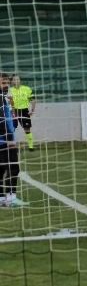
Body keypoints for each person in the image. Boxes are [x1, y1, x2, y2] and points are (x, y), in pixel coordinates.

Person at [0, 74, 24, 208]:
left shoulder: (5, 98)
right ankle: (11, 198)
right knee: (14, 167)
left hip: (4, 138)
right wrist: (9, 138)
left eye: (7, 83)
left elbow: (10, 118)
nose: (6, 85)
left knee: (1, 169)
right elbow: (2, 121)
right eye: (3, 82)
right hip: (4, 139)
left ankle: (1, 197)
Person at [7, 73, 35, 151]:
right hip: (13, 110)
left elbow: (33, 100)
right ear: (12, 81)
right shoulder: (10, 90)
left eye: (18, 79)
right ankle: (12, 146)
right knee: (12, 129)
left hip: (24, 111)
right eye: (14, 79)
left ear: (20, 80)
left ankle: (31, 146)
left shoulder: (27, 89)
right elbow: (9, 101)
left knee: (27, 128)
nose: (17, 81)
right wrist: (12, 111)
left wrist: (32, 110)